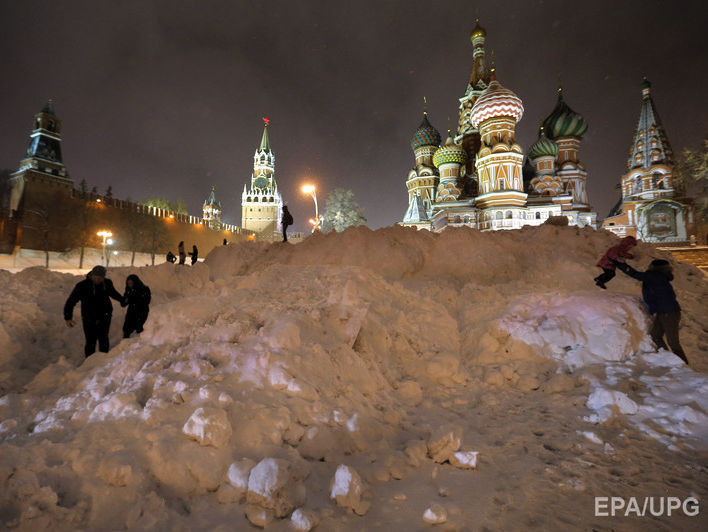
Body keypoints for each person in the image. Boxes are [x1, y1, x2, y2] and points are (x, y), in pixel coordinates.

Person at [612, 258, 688, 364]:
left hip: (669, 312)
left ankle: (683, 364)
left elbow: (636, 275)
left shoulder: (655, 276)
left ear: (654, 267)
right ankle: (667, 359)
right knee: (655, 336)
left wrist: (621, 264)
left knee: (673, 342)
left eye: (650, 265)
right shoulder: (659, 276)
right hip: (663, 312)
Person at [64, 265, 123, 357]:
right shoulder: (82, 286)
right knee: (90, 340)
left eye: (100, 278)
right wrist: (68, 317)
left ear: (103, 277)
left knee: (103, 338)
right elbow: (71, 301)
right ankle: (89, 362)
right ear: (92, 275)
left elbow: (113, 293)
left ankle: (103, 359)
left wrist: (123, 300)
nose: (98, 279)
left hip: (105, 315)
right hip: (88, 317)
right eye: (95, 277)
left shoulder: (107, 283)